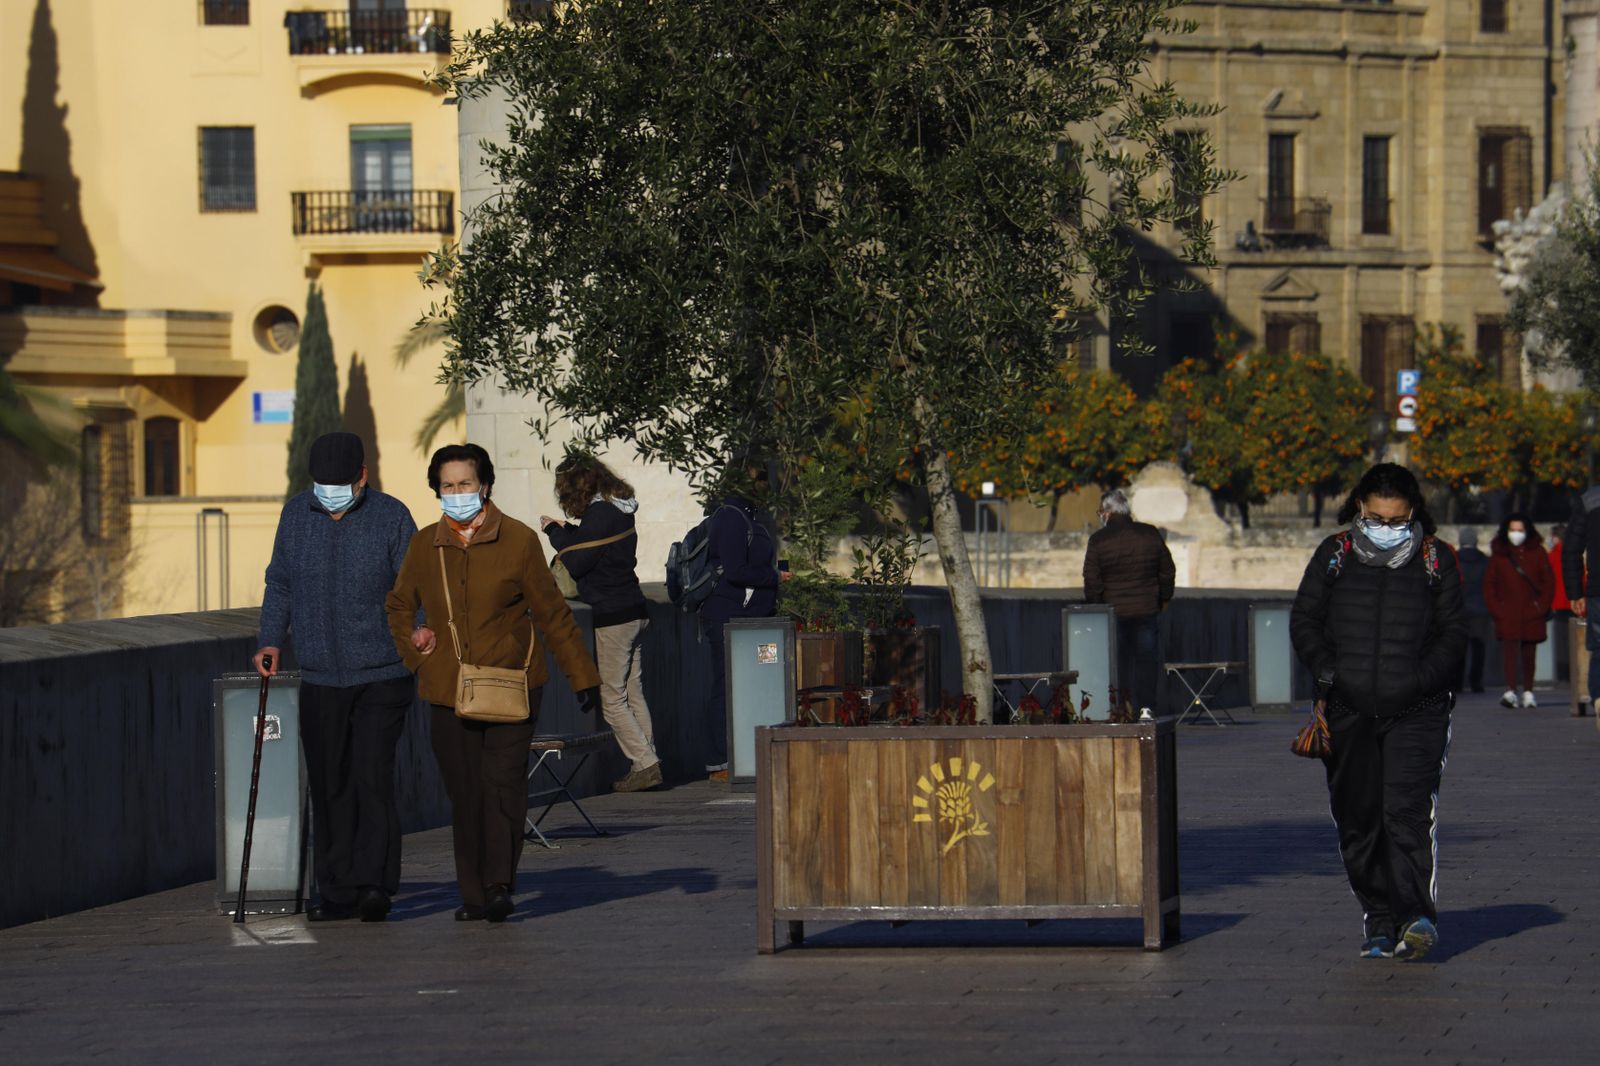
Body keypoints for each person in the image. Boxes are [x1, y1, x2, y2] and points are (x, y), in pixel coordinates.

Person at [386, 443, 601, 923]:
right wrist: (416, 651)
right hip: (447, 690)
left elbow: (552, 613)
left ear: (484, 486)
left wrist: (582, 676)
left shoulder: (520, 541)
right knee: (466, 794)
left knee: (503, 786)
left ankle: (500, 884)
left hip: (513, 683)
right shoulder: (425, 545)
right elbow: (399, 605)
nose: (457, 493)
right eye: (448, 485)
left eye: (465, 483)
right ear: (437, 490)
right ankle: (474, 895)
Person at [1290, 463, 1465, 962]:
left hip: (1418, 710)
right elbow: (1305, 620)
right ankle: (1379, 920)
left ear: (1413, 514)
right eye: (1376, 518)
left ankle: (1415, 918)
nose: (1385, 528)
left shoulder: (1436, 559)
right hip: (1347, 708)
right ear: (1359, 510)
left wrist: (1418, 681)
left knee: (1405, 814)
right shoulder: (1335, 555)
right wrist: (1329, 672)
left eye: (1396, 520)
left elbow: (1453, 633)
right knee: (1359, 818)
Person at [254, 431, 426, 923]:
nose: (329, 494)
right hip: (321, 676)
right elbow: (280, 580)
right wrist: (271, 639)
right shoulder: (295, 515)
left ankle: (374, 885)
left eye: (339, 484)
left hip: (383, 674)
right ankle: (336, 889)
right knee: (330, 783)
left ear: (362, 478)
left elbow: (413, 585)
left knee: (371, 777)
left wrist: (421, 628)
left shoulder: (391, 517)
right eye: (321, 485)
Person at [541, 452, 661, 793]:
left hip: (613, 617)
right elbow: (596, 547)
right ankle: (646, 760)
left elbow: (577, 562)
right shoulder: (618, 509)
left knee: (611, 697)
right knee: (633, 692)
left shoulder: (600, 513)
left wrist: (554, 532)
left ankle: (645, 763)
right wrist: (573, 531)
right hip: (636, 611)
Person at [699, 462, 783, 781]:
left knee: (754, 685)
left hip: (756, 621)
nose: (766, 487)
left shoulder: (749, 516)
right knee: (726, 686)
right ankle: (718, 761)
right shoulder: (731, 517)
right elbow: (735, 571)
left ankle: (749, 754)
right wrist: (774, 577)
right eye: (762, 480)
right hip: (729, 619)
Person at [1082, 488, 1176, 714]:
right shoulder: (1149, 534)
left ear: (1107, 513)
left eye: (1100, 512)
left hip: (1112, 612)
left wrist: (1097, 606)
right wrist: (1164, 597)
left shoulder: (1098, 540)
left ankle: (1120, 707)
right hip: (1146, 609)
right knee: (1145, 662)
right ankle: (1146, 708)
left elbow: (1091, 579)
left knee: (1117, 661)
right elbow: (1167, 571)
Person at [1483, 513, 1553, 709]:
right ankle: (1511, 690)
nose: (1516, 534)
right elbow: (1490, 584)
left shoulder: (1538, 552)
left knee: (1529, 653)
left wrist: (1540, 606)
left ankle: (1529, 691)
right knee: (1509, 653)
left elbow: (1548, 582)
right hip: (1508, 613)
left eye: (1520, 530)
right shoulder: (1500, 554)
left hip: (1532, 611)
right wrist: (1498, 609)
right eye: (1513, 530)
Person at [1565, 488, 1600, 716]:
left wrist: (1575, 592)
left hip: (1598, 589)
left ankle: (1599, 698)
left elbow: (1571, 550)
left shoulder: (1590, 500)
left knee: (1599, 648)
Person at [1455, 528, 1490, 694]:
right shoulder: (1484, 560)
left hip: (1459, 608)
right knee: (1479, 648)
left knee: (1458, 647)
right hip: (1480, 608)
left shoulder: (1454, 559)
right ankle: (1476, 682)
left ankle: (1457, 682)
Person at [1548, 526, 1572, 685]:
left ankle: (1563, 673)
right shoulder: (1572, 554)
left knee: (1561, 642)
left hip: (1557, 603)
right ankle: (1573, 671)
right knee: (1573, 640)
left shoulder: (1552, 556)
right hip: (1573, 602)